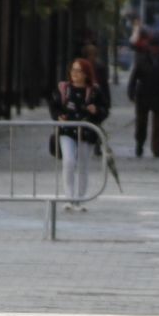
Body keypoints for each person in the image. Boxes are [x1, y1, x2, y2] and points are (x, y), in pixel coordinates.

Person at [49, 58, 108, 211]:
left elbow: (104, 110)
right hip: (67, 131)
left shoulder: (94, 91)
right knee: (68, 161)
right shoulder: (63, 89)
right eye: (73, 70)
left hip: (86, 132)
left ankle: (80, 198)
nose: (75, 74)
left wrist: (96, 111)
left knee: (83, 165)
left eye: (79, 71)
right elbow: (54, 107)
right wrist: (58, 116)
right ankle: (69, 197)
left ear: (86, 74)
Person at [128, 41, 159, 157]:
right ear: (149, 47)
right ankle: (139, 143)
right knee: (141, 123)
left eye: (157, 46)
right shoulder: (141, 60)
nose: (155, 49)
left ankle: (157, 148)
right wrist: (131, 93)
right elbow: (133, 78)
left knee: (158, 125)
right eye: (153, 46)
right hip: (143, 95)